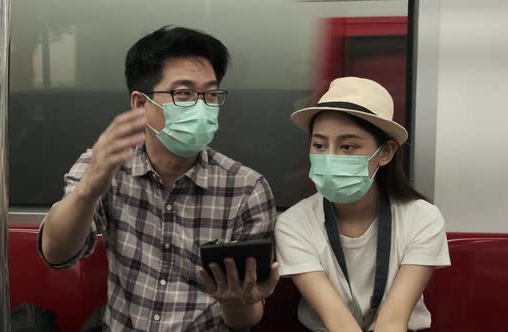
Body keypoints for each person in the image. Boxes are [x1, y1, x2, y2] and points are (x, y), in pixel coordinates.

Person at [38, 26, 279, 331]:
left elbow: (247, 319)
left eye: (211, 94)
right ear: (141, 104)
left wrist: (234, 300)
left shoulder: (247, 189)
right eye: (184, 94)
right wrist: (87, 190)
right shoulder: (106, 164)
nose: (201, 107)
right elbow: (56, 253)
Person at [275, 77, 450, 332]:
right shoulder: (293, 223)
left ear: (385, 153)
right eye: (320, 145)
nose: (330, 157)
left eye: (348, 146)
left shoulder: (423, 218)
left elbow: (393, 321)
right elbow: (337, 322)